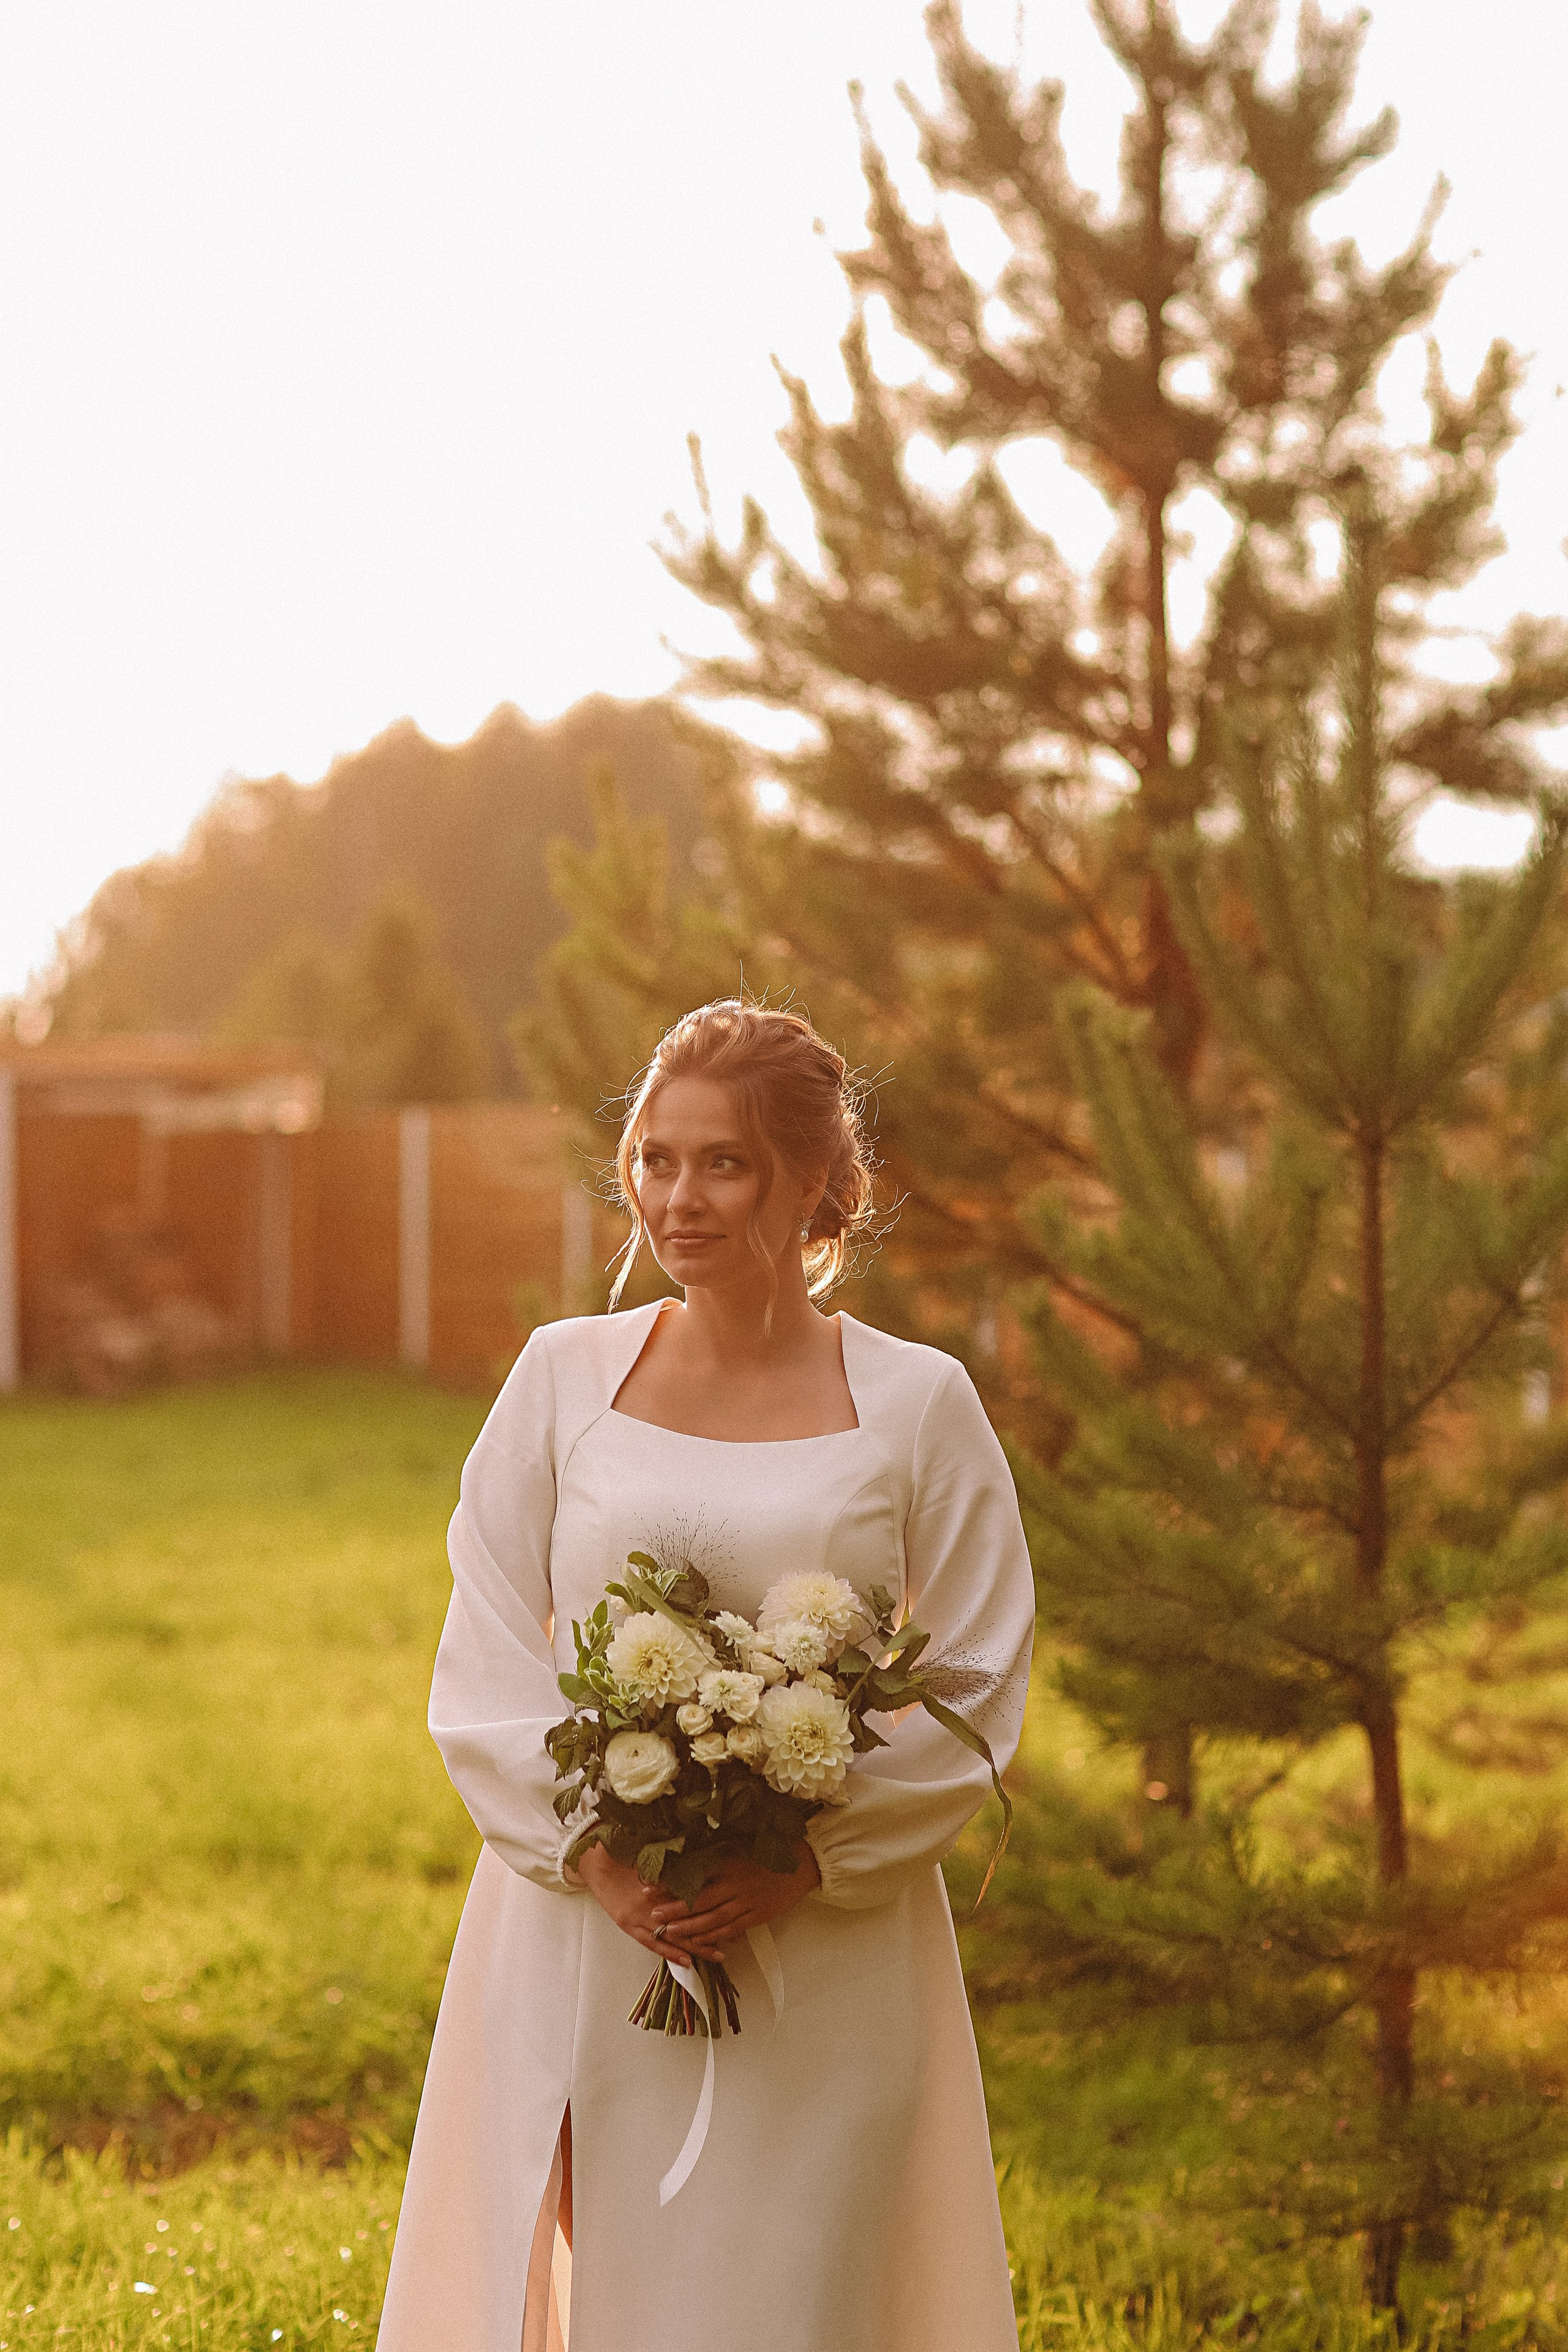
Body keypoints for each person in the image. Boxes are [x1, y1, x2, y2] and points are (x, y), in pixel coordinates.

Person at [377, 1001, 1036, 2352]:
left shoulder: (920, 1403)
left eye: (723, 1163)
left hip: (830, 1948)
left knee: (803, 2296)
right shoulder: (560, 1378)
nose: (677, 1198)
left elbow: (977, 1665)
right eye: (655, 1158)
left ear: (814, 1182)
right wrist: (594, 1855)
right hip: (588, 1928)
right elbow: (487, 1642)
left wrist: (807, 1861)